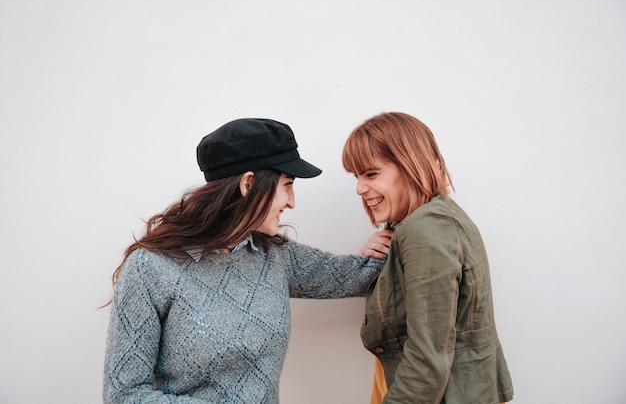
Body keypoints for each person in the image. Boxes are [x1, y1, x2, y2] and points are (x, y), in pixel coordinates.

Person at [102, 118, 393, 403]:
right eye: (287, 185)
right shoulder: (150, 268)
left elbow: (351, 276)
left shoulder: (274, 255)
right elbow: (124, 395)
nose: (292, 202)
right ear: (249, 184)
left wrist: (391, 238)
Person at [342, 112, 514, 403]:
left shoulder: (428, 228)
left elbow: (427, 361)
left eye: (371, 174)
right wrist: (378, 266)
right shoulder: (419, 224)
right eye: (357, 177)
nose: (360, 188)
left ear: (411, 166)